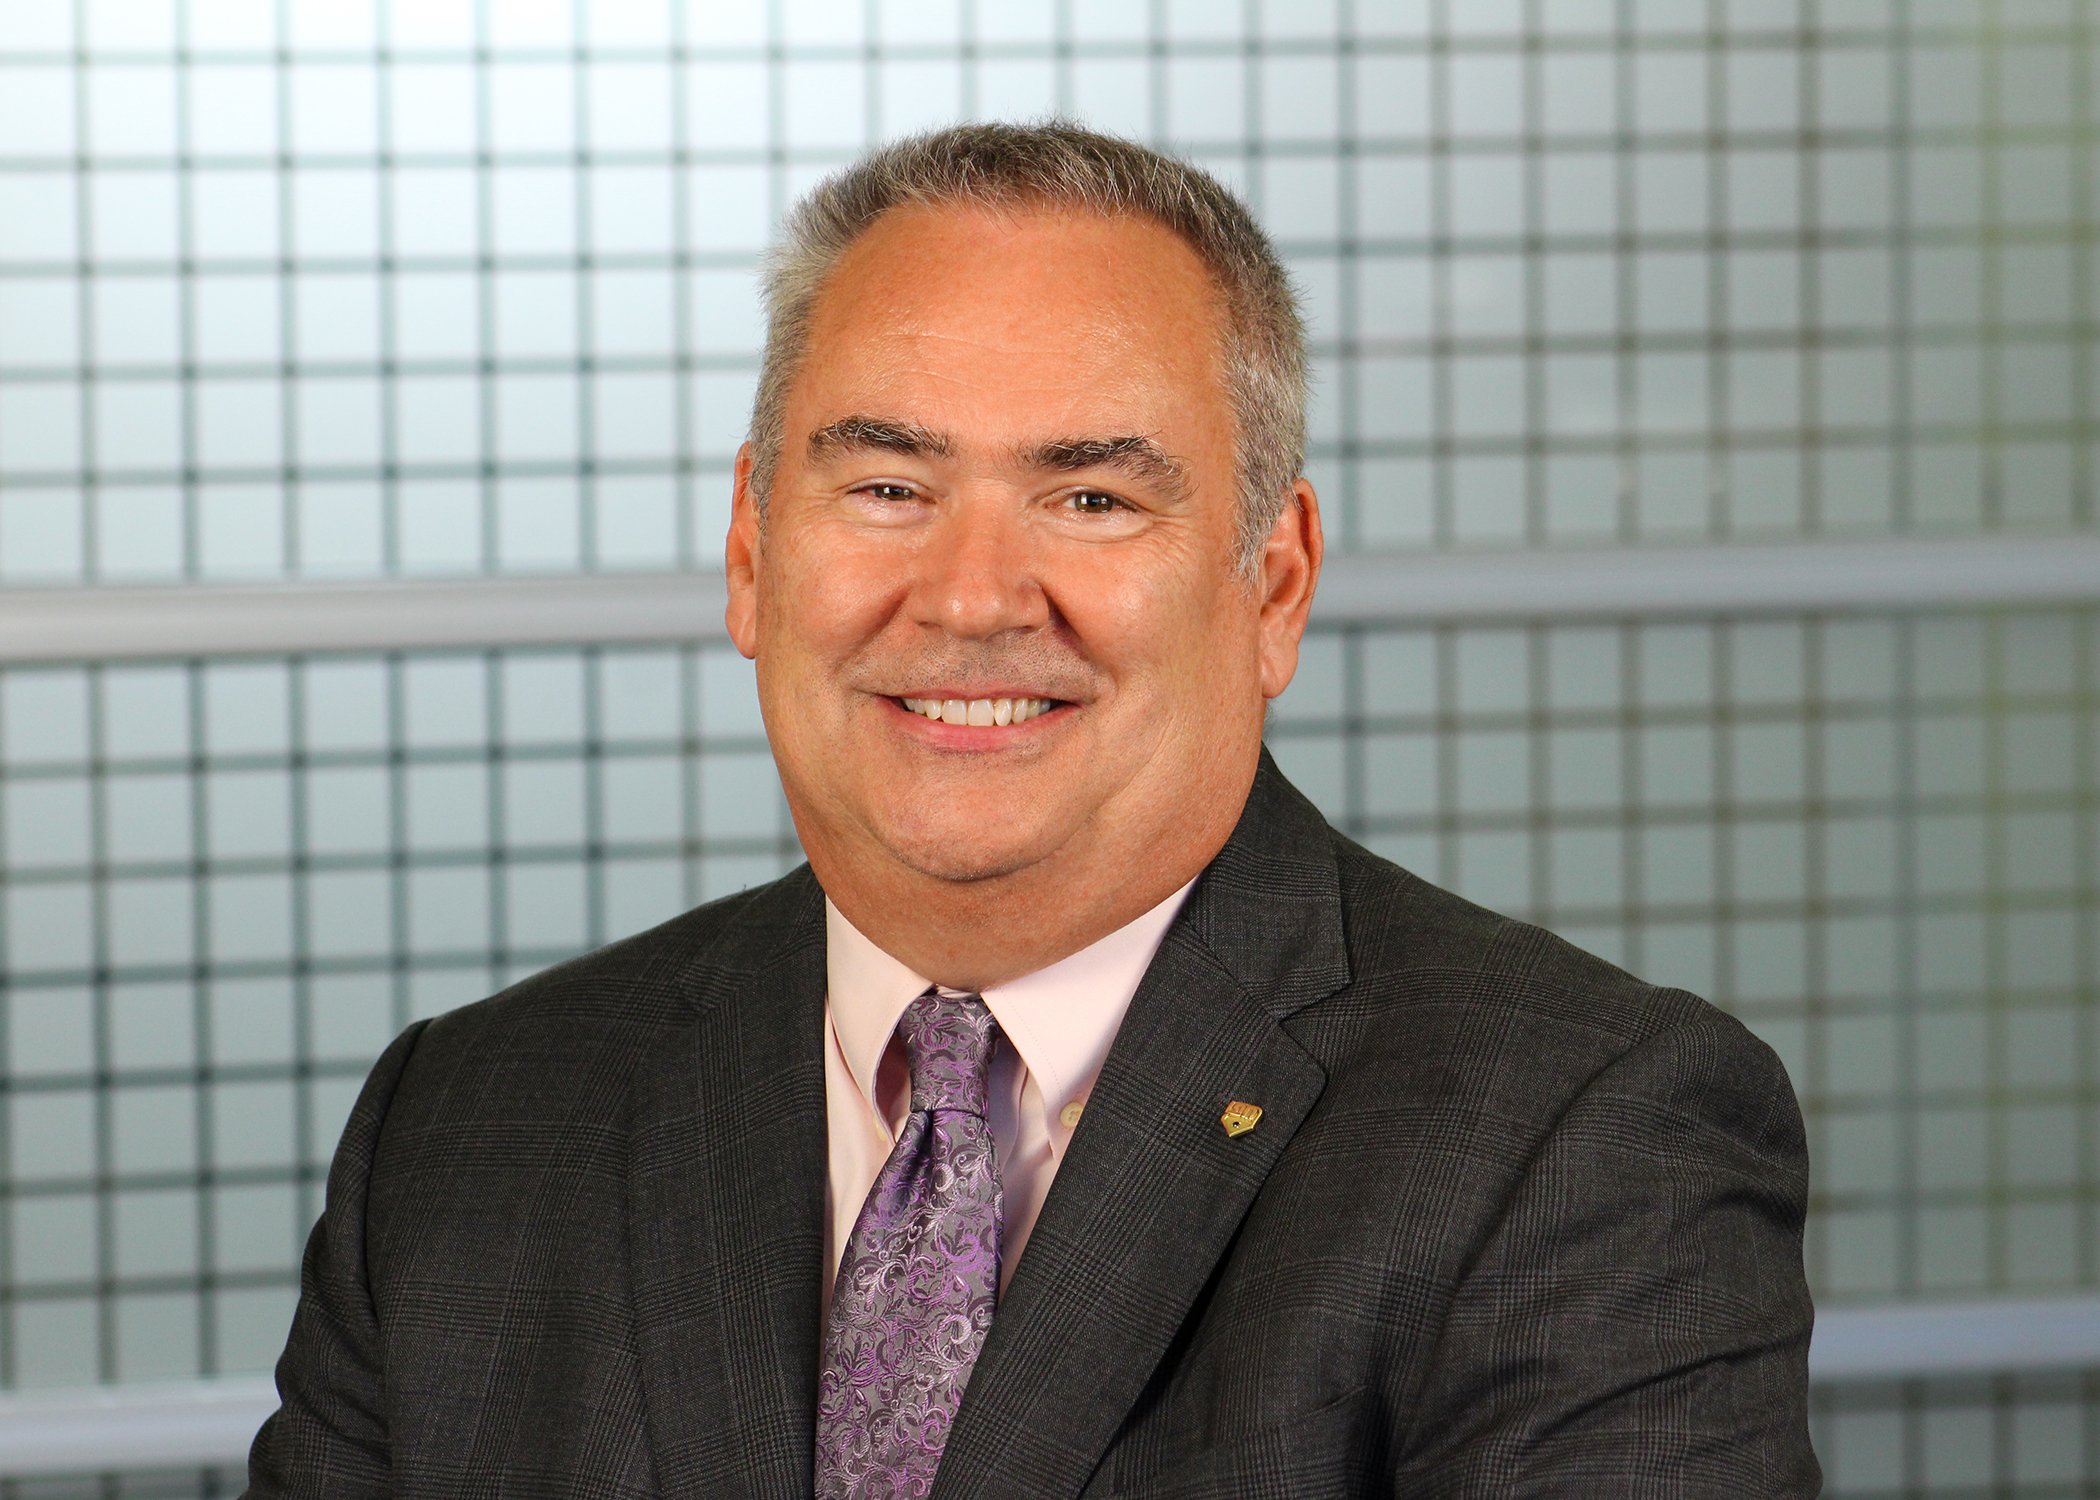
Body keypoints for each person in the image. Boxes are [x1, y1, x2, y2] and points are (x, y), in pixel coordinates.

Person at [246, 122, 1818, 1498]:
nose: (974, 595)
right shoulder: (471, 1124)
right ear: (749, 552)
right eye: (888, 488)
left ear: (1275, 585)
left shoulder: (1578, 1142)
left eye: (1092, 498)